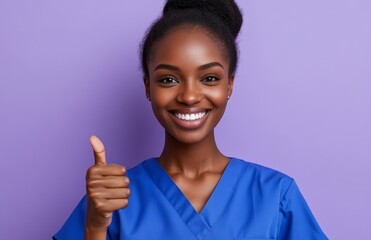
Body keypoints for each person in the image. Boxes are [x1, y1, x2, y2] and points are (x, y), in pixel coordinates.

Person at [53, 0, 328, 239]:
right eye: (168, 79)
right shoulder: (112, 199)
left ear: (229, 85)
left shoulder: (275, 196)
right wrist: (94, 228)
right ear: (148, 86)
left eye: (209, 78)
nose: (189, 96)